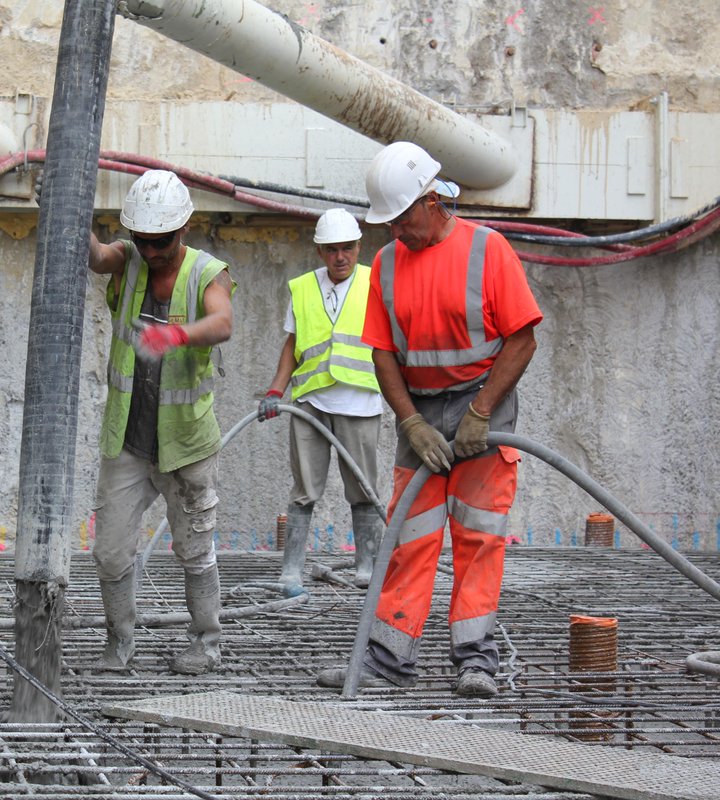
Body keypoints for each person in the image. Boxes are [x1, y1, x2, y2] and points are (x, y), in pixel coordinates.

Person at [317, 142, 542, 699]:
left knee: (478, 535)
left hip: (481, 408)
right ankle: (390, 657)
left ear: (433, 200)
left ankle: (477, 661)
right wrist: (411, 422)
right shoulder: (390, 263)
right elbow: (383, 352)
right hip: (419, 411)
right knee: (410, 535)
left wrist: (482, 410)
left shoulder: (489, 250)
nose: (396, 231)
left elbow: (522, 337)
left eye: (402, 218)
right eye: (388, 222)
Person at [86, 169, 235, 675]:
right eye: (142, 240)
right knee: (109, 551)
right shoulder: (127, 262)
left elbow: (222, 322)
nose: (150, 251)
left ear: (184, 228)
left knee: (195, 548)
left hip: (186, 443)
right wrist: (70, 201)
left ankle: (206, 643)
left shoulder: (207, 271)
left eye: (160, 242)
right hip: (128, 440)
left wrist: (177, 337)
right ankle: (119, 644)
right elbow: (95, 255)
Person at [258, 208, 383, 594]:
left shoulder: (375, 283)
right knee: (304, 488)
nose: (340, 257)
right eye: (332, 250)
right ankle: (291, 571)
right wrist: (275, 390)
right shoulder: (303, 288)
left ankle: (367, 567)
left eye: (347, 248)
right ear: (319, 251)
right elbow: (292, 345)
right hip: (311, 403)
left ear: (359, 247)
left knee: (362, 488)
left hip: (359, 403)